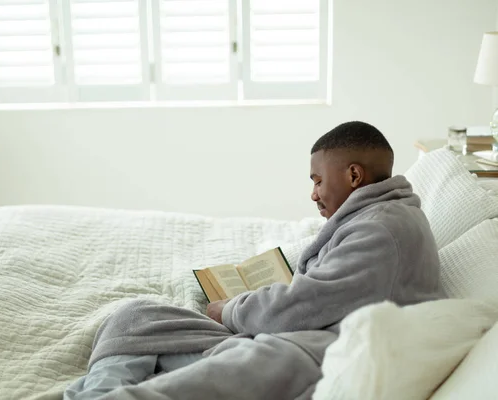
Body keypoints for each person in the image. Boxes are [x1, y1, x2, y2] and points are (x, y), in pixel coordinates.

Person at [65, 121, 443, 400]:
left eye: (317, 180)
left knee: (182, 376)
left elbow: (304, 305)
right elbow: (323, 293)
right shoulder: (374, 218)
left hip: (308, 350)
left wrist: (230, 309)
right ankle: (104, 386)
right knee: (139, 315)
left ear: (354, 175)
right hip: (290, 331)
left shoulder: (382, 230)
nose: (313, 194)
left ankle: (104, 391)